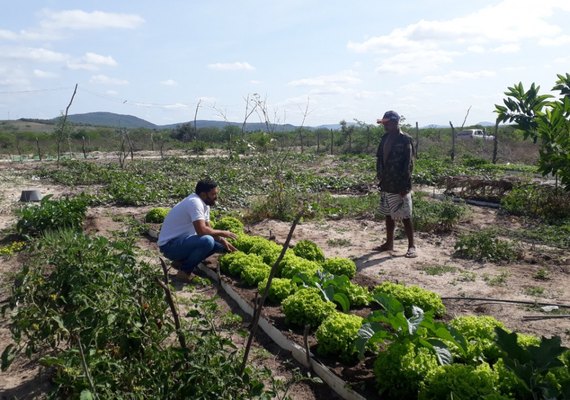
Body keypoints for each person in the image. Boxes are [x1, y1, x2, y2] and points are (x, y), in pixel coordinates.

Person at [158, 179, 237, 280]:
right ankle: (184, 272)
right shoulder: (195, 203)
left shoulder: (204, 204)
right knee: (207, 241)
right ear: (204, 194)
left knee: (219, 246)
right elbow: (202, 231)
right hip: (169, 246)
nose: (216, 197)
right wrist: (223, 232)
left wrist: (226, 243)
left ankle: (180, 262)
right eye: (213, 194)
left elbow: (208, 228)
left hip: (182, 242)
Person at [375, 110, 417, 258]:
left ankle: (411, 246)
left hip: (400, 183)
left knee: (405, 215)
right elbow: (379, 159)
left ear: (394, 122)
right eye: (384, 124)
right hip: (386, 182)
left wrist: (404, 186)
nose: (384, 126)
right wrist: (379, 176)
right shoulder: (385, 138)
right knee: (388, 214)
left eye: (386, 123)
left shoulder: (405, 139)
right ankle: (389, 243)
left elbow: (409, 164)